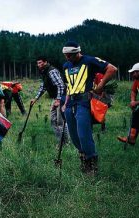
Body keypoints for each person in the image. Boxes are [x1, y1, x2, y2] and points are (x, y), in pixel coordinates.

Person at [61, 41, 117, 175]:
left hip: (84, 102)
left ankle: (91, 165)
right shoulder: (66, 65)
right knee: (74, 137)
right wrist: (65, 103)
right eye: (65, 55)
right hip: (70, 104)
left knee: (83, 134)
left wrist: (101, 85)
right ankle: (84, 158)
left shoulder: (89, 61)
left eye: (70, 55)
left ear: (77, 53)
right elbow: (69, 86)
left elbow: (112, 69)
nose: (67, 58)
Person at [30, 56, 68, 144]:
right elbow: (43, 87)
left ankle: (65, 143)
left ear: (45, 62)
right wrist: (36, 98)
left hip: (62, 97)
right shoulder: (44, 72)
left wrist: (58, 100)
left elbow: (61, 85)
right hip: (56, 98)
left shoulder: (51, 71)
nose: (38, 65)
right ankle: (61, 142)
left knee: (60, 121)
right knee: (53, 120)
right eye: (37, 63)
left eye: (40, 63)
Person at [117, 63, 139, 145]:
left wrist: (136, 103)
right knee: (136, 115)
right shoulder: (137, 81)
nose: (132, 74)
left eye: (134, 72)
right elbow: (133, 91)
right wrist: (132, 101)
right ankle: (131, 138)